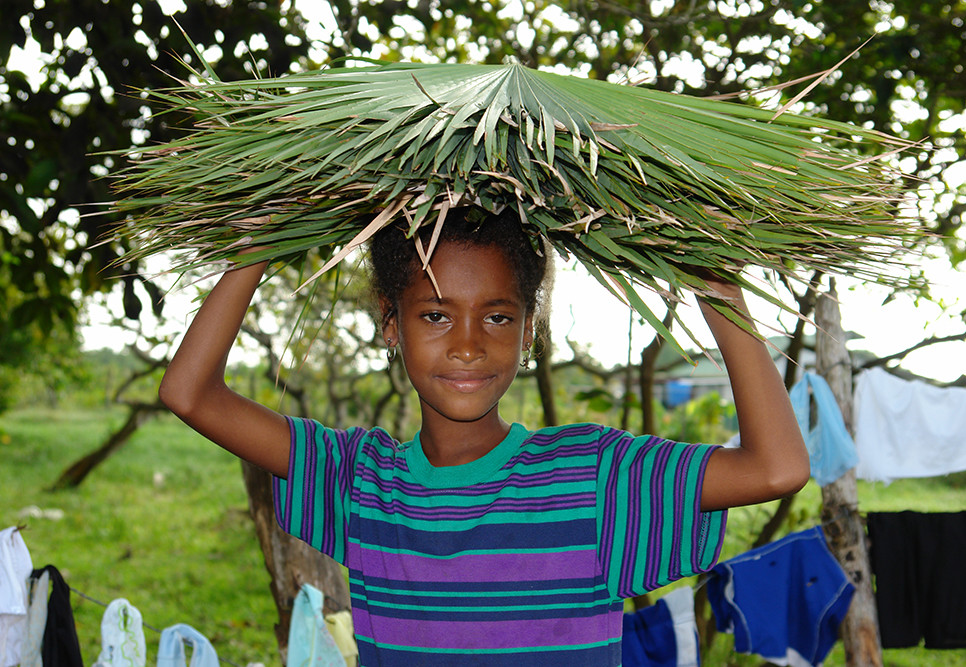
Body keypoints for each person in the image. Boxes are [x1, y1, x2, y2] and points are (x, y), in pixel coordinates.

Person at [158, 207, 809, 665]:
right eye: (436, 314)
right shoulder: (360, 480)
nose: (468, 345)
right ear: (392, 323)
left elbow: (776, 467)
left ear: (528, 331)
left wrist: (718, 288)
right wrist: (257, 244)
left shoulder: (591, 478)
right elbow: (189, 393)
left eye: (497, 316)